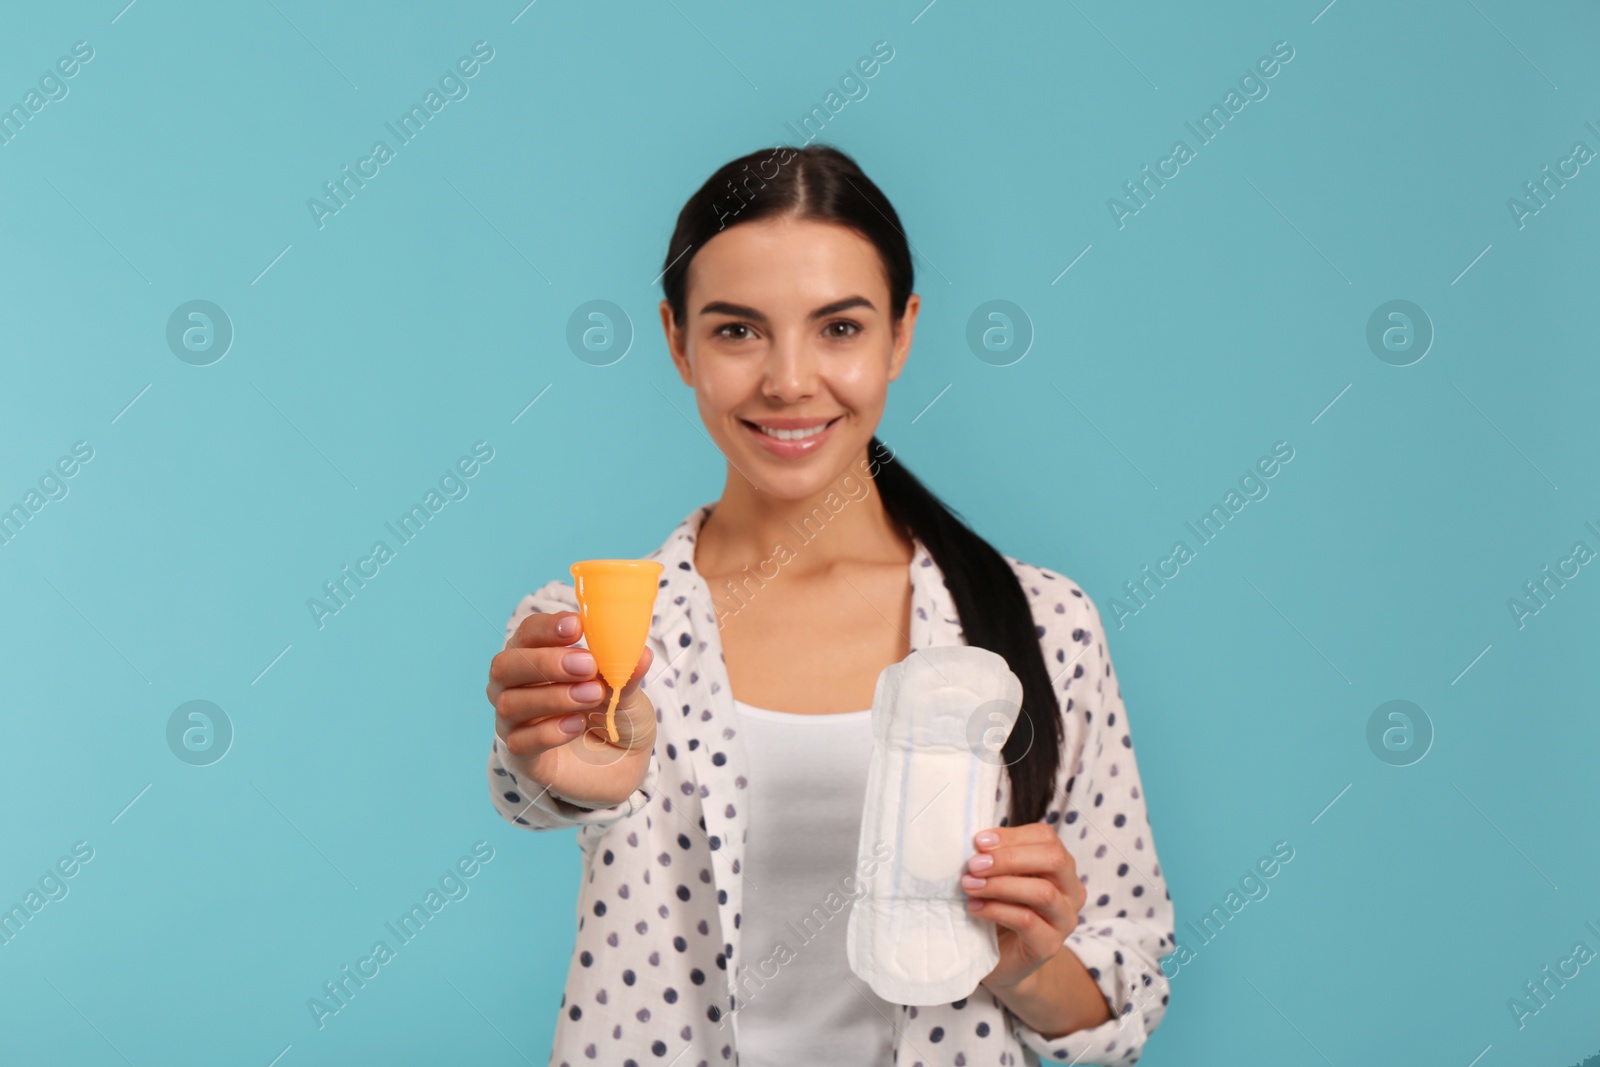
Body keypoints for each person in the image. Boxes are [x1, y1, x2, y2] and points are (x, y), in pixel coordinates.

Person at [484, 143, 1175, 1066]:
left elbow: (1118, 994)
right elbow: (536, 784)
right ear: (676, 340)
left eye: (839, 328)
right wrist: (560, 770)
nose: (790, 380)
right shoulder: (604, 627)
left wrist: (1020, 965)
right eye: (737, 330)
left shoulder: (1046, 625)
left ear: (902, 333)